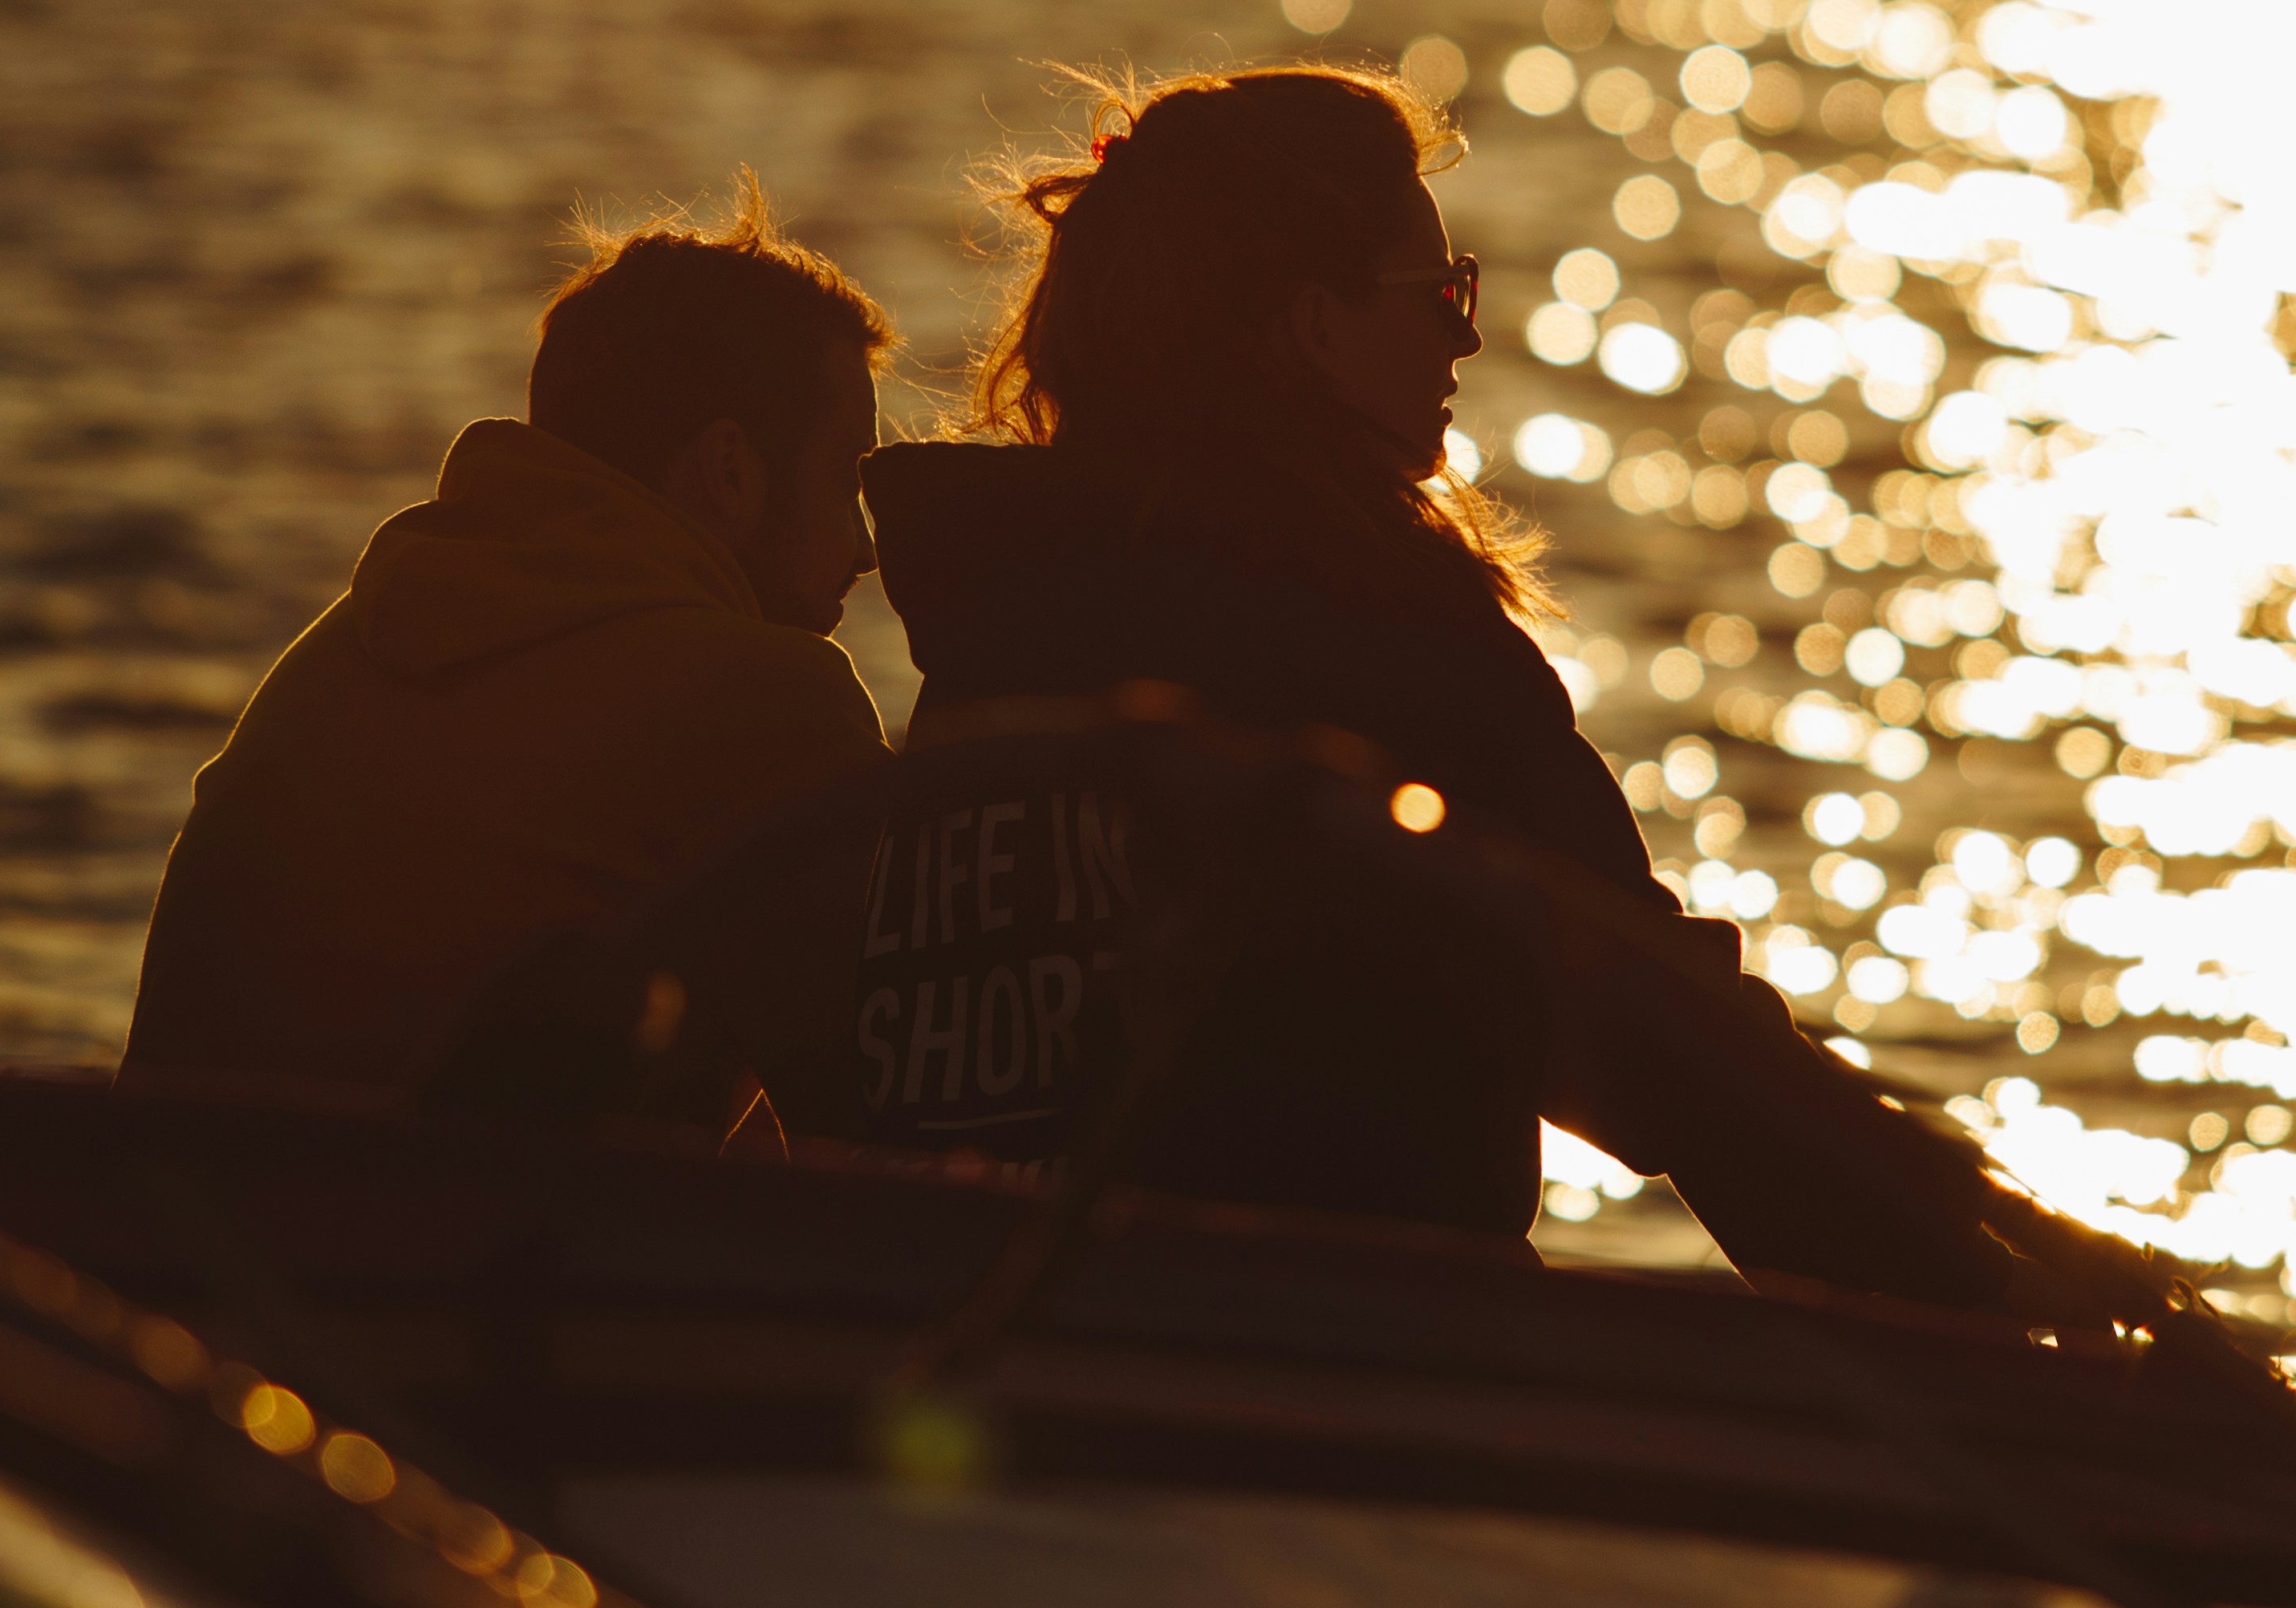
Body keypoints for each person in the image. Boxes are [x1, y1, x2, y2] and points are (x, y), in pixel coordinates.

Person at [843, 67, 2130, 1324]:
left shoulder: (994, 624)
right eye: (1438, 291)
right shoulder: (1375, 635)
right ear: (1313, 323)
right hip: (1327, 1370)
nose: (1463, 333)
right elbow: (1646, 1027)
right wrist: (1979, 1298)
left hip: (985, 1337)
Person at [120, 181, 892, 1100]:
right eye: (846, 483)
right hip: (440, 1235)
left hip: (157, 1219)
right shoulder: (775, 699)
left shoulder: (335, 655)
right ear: (731, 470)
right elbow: (871, 1124)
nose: (868, 549)